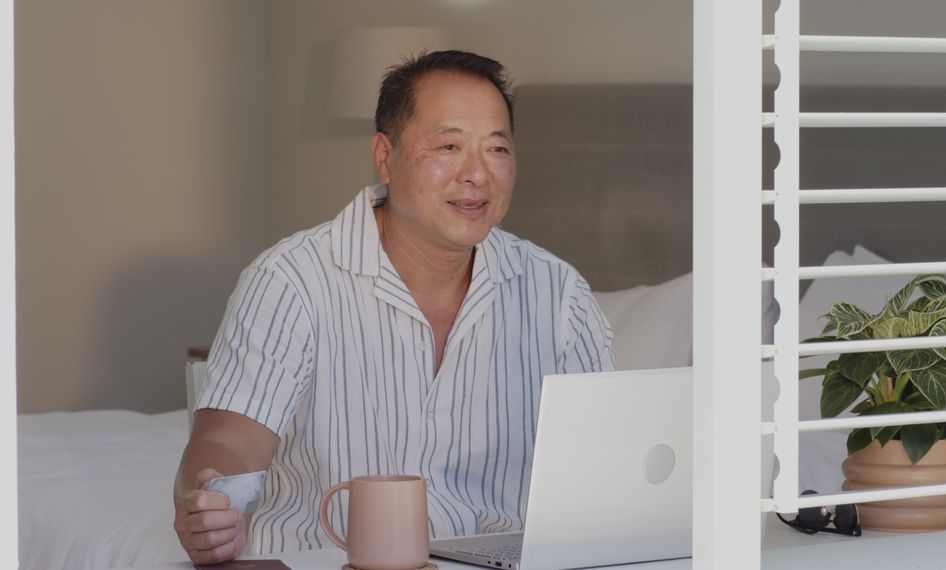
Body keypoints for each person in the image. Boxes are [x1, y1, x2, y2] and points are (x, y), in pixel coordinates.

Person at [172, 50, 616, 565]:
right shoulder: (291, 280)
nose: (477, 174)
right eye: (449, 146)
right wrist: (208, 500)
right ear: (386, 156)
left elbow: (608, 472)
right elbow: (229, 439)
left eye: (497, 149)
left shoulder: (559, 294)